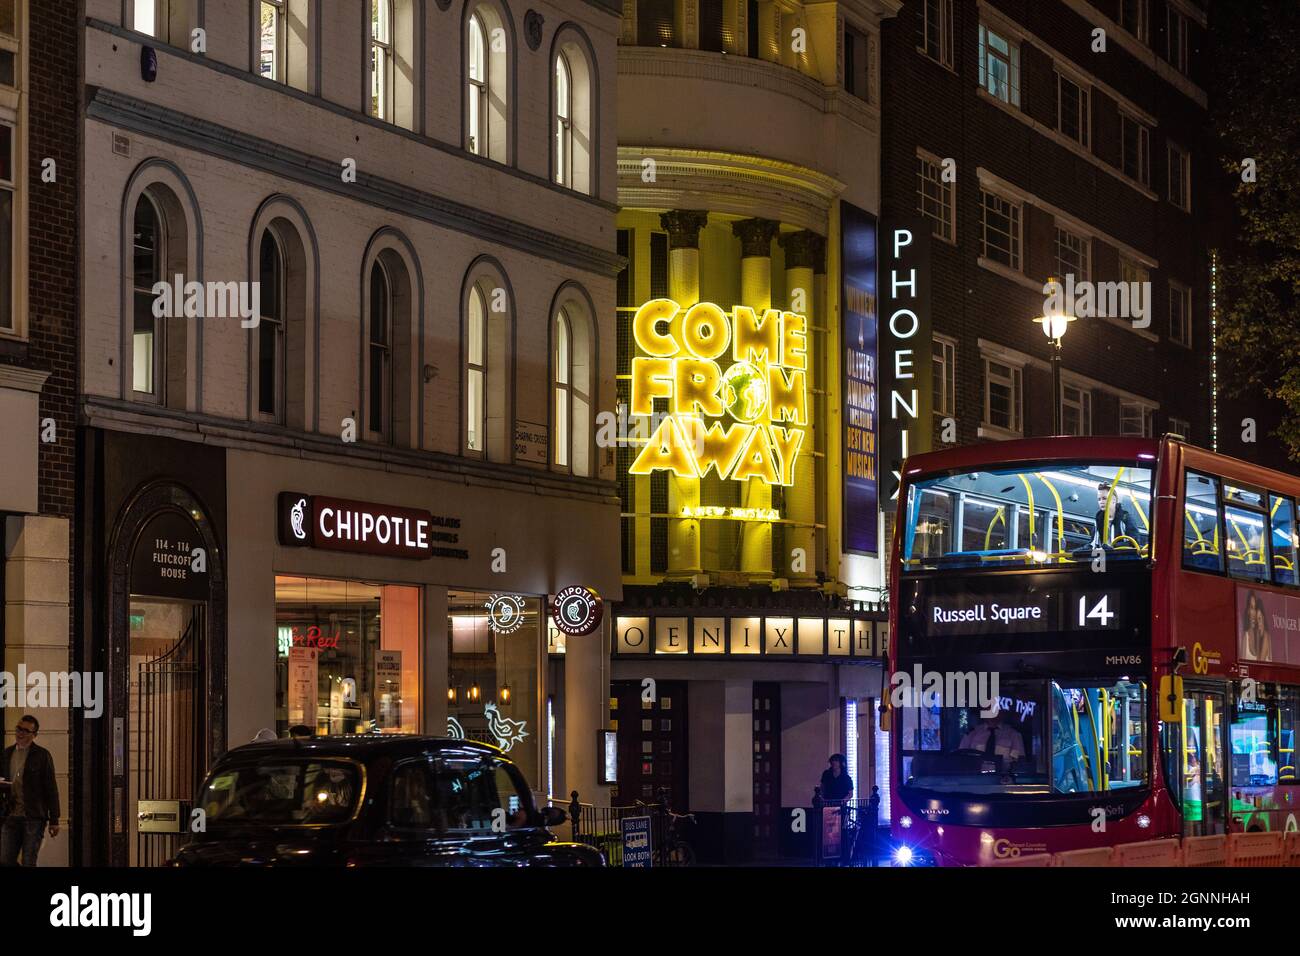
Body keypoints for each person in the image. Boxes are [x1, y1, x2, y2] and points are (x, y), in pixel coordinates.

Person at [0, 716, 61, 866]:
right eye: (19, 729)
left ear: (34, 734)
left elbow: (51, 788)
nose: (20, 733)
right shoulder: (7, 754)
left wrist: (54, 819)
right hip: (11, 815)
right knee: (5, 859)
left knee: (28, 860)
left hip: (33, 816)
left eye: (26, 731)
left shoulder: (41, 755)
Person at [958, 709, 1026, 762]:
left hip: (1003, 776)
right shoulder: (972, 733)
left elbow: (1020, 759)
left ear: (1002, 713)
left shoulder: (1013, 734)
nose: (992, 713)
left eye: (996, 709)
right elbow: (961, 756)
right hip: (976, 776)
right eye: (989, 709)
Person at [1091, 482, 1131, 547]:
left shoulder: (1125, 518)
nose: (1101, 502)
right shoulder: (1099, 519)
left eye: (1104, 498)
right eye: (1099, 499)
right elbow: (1092, 543)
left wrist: (1113, 547)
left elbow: (1134, 542)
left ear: (1114, 500)